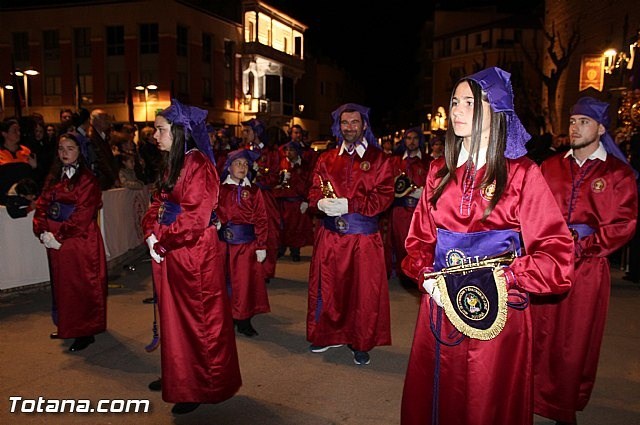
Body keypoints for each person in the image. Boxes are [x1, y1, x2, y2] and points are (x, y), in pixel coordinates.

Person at [399, 67, 574, 425]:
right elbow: (418, 241)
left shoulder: (522, 173)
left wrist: (504, 278)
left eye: (469, 103)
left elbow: (557, 256)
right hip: (441, 302)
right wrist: (425, 276)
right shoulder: (437, 171)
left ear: (496, 112)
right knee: (438, 392)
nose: (457, 111)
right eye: (454, 102)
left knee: (486, 398)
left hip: (500, 311)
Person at [531, 96, 638, 425]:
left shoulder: (617, 174)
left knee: (575, 336)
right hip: (547, 262)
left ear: (601, 128)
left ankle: (564, 401)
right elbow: (532, 211)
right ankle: (533, 394)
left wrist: (586, 246)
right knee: (541, 329)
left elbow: (624, 223)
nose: (575, 127)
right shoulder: (549, 166)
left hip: (589, 266)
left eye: (584, 122)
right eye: (573, 121)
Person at [141, 99, 241, 415]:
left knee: (198, 320)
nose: (154, 136)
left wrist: (162, 242)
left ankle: (199, 384)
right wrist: (150, 232)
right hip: (172, 248)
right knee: (174, 317)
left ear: (180, 132)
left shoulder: (198, 166)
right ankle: (178, 373)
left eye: (160, 129)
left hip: (193, 253)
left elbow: (196, 219)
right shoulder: (173, 162)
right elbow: (156, 202)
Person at [306, 103, 394, 365]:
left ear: (364, 125)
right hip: (331, 236)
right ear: (338, 126)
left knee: (362, 293)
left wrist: (351, 204)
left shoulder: (380, 160)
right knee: (331, 288)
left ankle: (360, 341)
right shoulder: (326, 158)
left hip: (363, 238)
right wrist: (319, 203)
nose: (350, 127)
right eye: (345, 123)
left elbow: (385, 195)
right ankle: (330, 333)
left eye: (355, 122)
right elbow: (314, 190)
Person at [32, 133, 107, 352]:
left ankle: (85, 330)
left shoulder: (87, 179)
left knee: (81, 284)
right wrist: (42, 229)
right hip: (55, 237)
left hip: (79, 239)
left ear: (80, 151)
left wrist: (59, 235)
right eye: (61, 148)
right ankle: (67, 325)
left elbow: (83, 213)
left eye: (70, 148)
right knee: (61, 284)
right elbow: (42, 203)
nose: (64, 153)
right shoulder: (54, 176)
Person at [217, 148, 270, 337]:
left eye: (245, 164)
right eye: (238, 163)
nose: (242, 167)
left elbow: (262, 219)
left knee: (244, 283)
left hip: (247, 246)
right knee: (224, 281)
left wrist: (261, 245)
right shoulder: (220, 189)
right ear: (229, 167)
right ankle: (227, 317)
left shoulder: (254, 191)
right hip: (223, 246)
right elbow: (212, 211)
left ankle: (244, 319)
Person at [389, 127, 430, 285]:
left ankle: (418, 274)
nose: (411, 141)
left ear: (420, 140)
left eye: (415, 138)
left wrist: (425, 192)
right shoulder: (395, 161)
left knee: (420, 244)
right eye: (408, 138)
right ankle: (403, 275)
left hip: (420, 211)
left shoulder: (428, 162)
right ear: (404, 141)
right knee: (401, 243)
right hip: (400, 209)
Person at [242, 118, 281, 281]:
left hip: (264, 197)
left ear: (257, 133)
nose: (244, 134)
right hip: (246, 196)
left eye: (247, 131)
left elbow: (275, 177)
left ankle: (265, 271)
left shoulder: (271, 153)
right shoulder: (243, 150)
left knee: (267, 232)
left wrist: (259, 177)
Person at [274, 141, 314, 261]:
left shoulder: (305, 166)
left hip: (297, 202)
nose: (288, 153)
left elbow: (309, 184)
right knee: (283, 227)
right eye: (287, 150)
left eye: (291, 150)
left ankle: (295, 251)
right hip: (284, 202)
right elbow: (275, 182)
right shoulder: (282, 164)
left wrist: (307, 200)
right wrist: (280, 180)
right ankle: (281, 249)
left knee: (296, 228)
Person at [0, 118, 37, 205]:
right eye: (14, 131)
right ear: (4, 134)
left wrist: (34, 167)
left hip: (25, 200)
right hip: (4, 201)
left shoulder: (26, 151)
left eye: (19, 130)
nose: (18, 133)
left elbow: (33, 178)